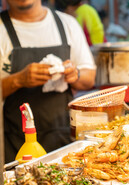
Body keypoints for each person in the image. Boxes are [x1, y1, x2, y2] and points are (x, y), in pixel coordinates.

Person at [0, 0, 96, 163]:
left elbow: (89, 78)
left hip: (64, 145)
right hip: (15, 148)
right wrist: (18, 79)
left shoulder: (67, 24)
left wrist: (75, 74)